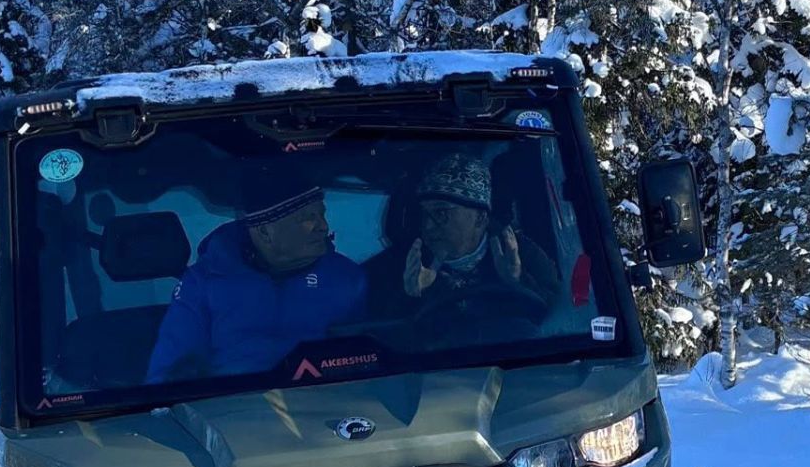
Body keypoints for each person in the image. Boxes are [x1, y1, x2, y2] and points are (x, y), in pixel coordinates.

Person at [145, 173, 365, 384]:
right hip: (231, 410)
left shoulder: (347, 278)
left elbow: (369, 358)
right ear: (265, 233)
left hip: (331, 404)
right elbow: (166, 378)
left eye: (322, 214)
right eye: (307, 218)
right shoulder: (202, 284)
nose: (323, 227)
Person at [375, 152, 557, 332]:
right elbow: (385, 340)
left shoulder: (520, 253)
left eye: (441, 213)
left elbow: (560, 318)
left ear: (480, 218)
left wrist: (518, 280)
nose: (428, 226)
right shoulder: (402, 264)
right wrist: (412, 295)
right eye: (425, 215)